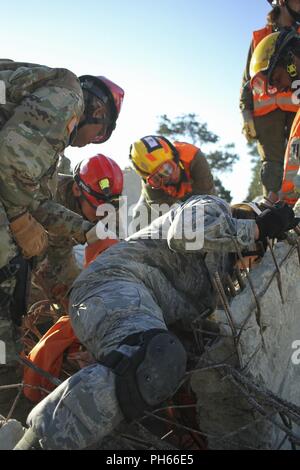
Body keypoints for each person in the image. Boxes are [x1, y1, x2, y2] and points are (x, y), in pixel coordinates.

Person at [14, 195, 299, 450]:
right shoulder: (212, 208)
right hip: (114, 281)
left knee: (162, 371)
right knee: (150, 359)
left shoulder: (214, 287)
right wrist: (259, 228)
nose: (248, 265)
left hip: (137, 311)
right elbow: (184, 235)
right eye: (257, 253)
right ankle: (36, 445)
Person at [0, 59, 124, 409]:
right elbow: (9, 165)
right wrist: (21, 222)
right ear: (95, 111)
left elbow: (36, 199)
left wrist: (87, 232)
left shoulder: (49, 153)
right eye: (97, 135)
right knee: (7, 262)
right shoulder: (68, 97)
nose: (88, 144)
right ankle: (5, 378)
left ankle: (6, 372)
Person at [33, 154, 124, 307]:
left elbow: (116, 254)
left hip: (58, 252)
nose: (102, 216)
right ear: (76, 189)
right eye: (97, 209)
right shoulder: (47, 191)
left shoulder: (108, 207)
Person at [240, 0, 300, 204]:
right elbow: (247, 80)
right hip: (266, 114)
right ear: (282, 2)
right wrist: (245, 112)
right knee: (272, 167)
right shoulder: (260, 36)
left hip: (296, 106)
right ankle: (273, 219)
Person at [129, 135, 215, 227]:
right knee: (140, 214)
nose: (167, 177)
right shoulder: (150, 186)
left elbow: (207, 196)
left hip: (196, 195)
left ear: (175, 157)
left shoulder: (193, 156)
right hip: (171, 203)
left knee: (212, 212)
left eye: (167, 168)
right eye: (157, 178)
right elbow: (166, 212)